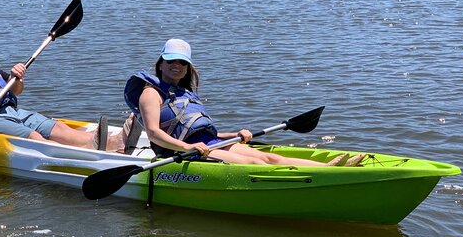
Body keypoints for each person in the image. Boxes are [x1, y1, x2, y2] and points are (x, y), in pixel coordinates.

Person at [124, 38, 365, 166]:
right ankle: (328, 173)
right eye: (171, 61)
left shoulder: (184, 92)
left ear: (187, 67)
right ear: (161, 62)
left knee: (269, 158)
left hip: (210, 143)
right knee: (253, 161)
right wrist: (188, 148)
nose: (176, 66)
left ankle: (329, 169)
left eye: (182, 62)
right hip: (184, 153)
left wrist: (233, 134)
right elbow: (154, 133)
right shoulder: (151, 93)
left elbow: (201, 131)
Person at [0, 19, 129, 151]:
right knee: (36, 137)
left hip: (12, 111)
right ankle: (81, 157)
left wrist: (17, 78)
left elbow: (16, 91)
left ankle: (112, 143)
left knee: (58, 128)